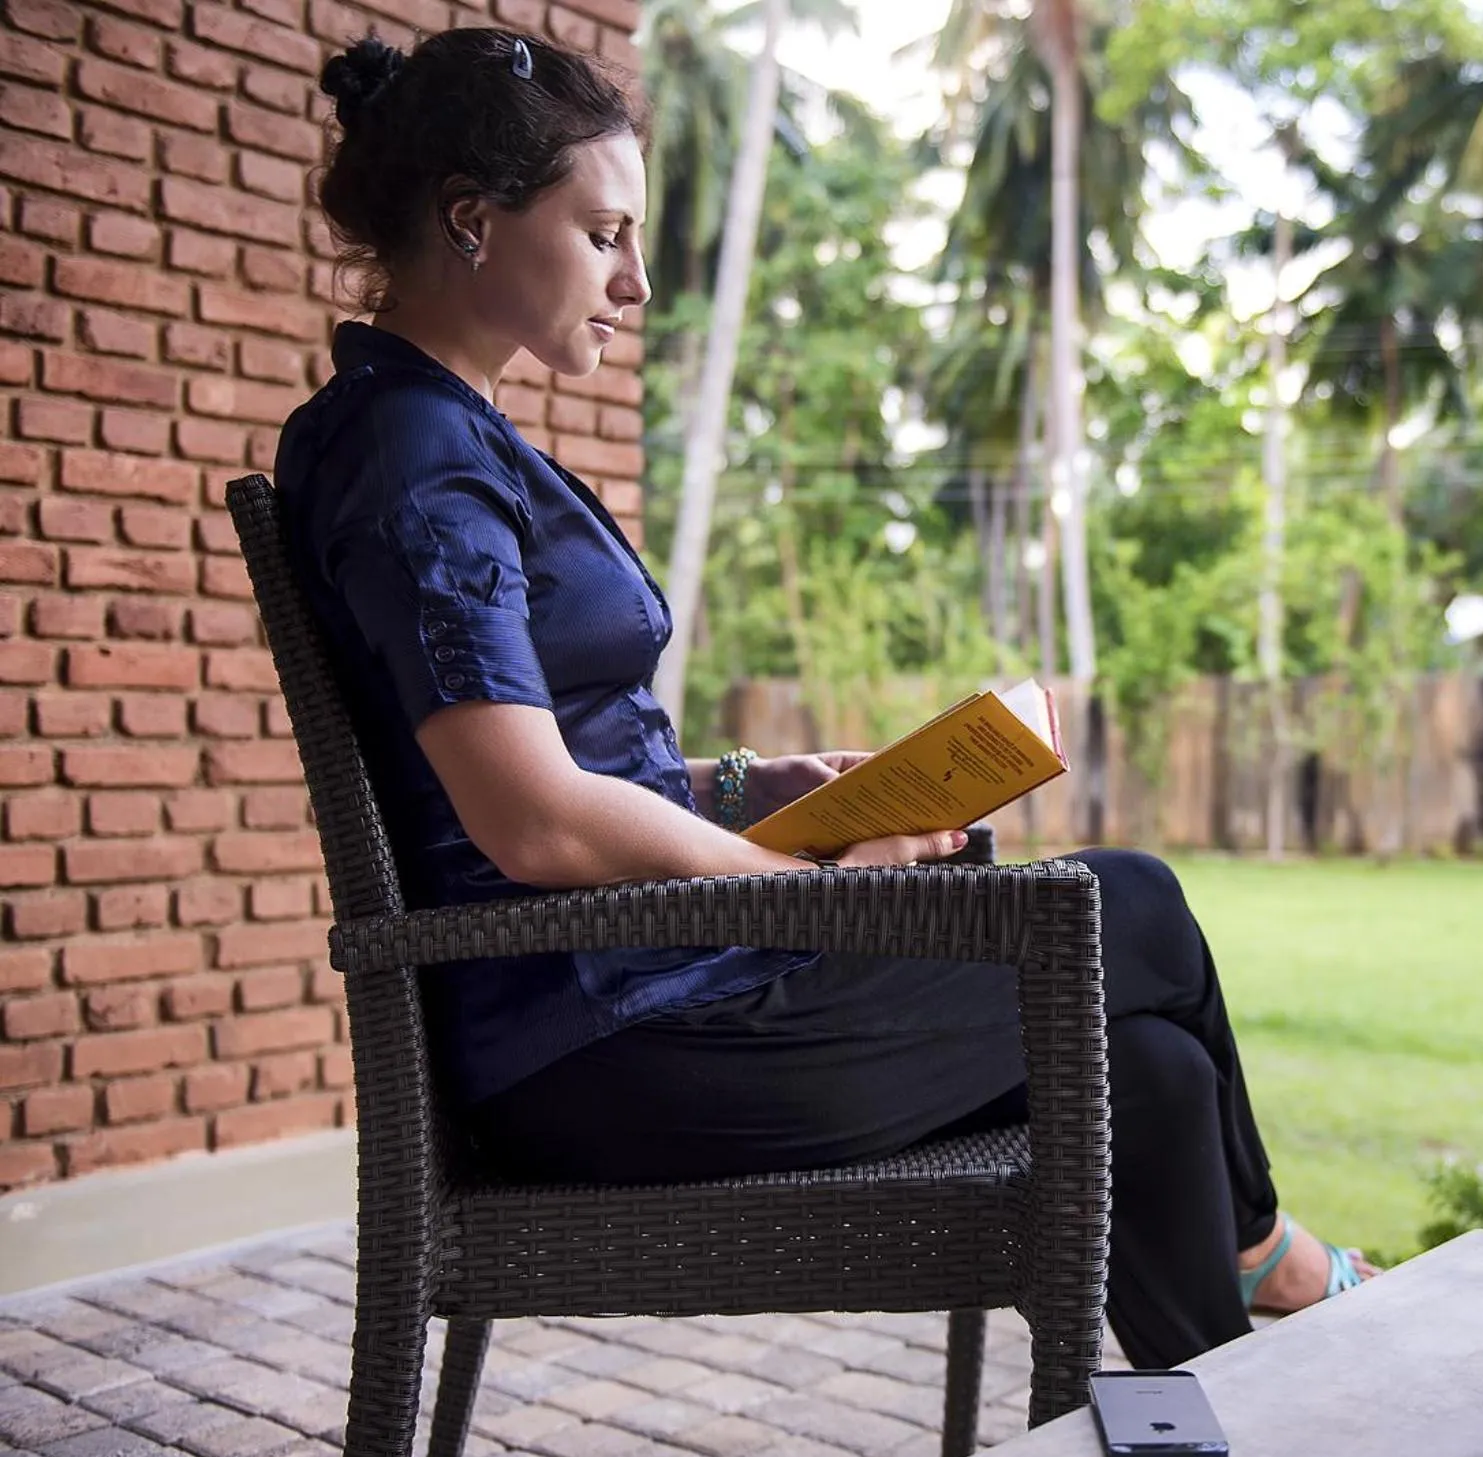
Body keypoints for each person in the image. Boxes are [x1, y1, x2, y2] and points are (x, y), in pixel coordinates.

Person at [279, 26, 1373, 1373]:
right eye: (604, 232)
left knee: (1150, 1074)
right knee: (1131, 904)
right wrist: (771, 872)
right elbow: (535, 825)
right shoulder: (417, 460)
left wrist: (762, 791)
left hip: (658, 990)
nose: (634, 276)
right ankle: (1277, 1264)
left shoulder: (438, 434)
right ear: (473, 219)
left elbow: (563, 762)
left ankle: (1214, 1429)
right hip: (620, 1048)